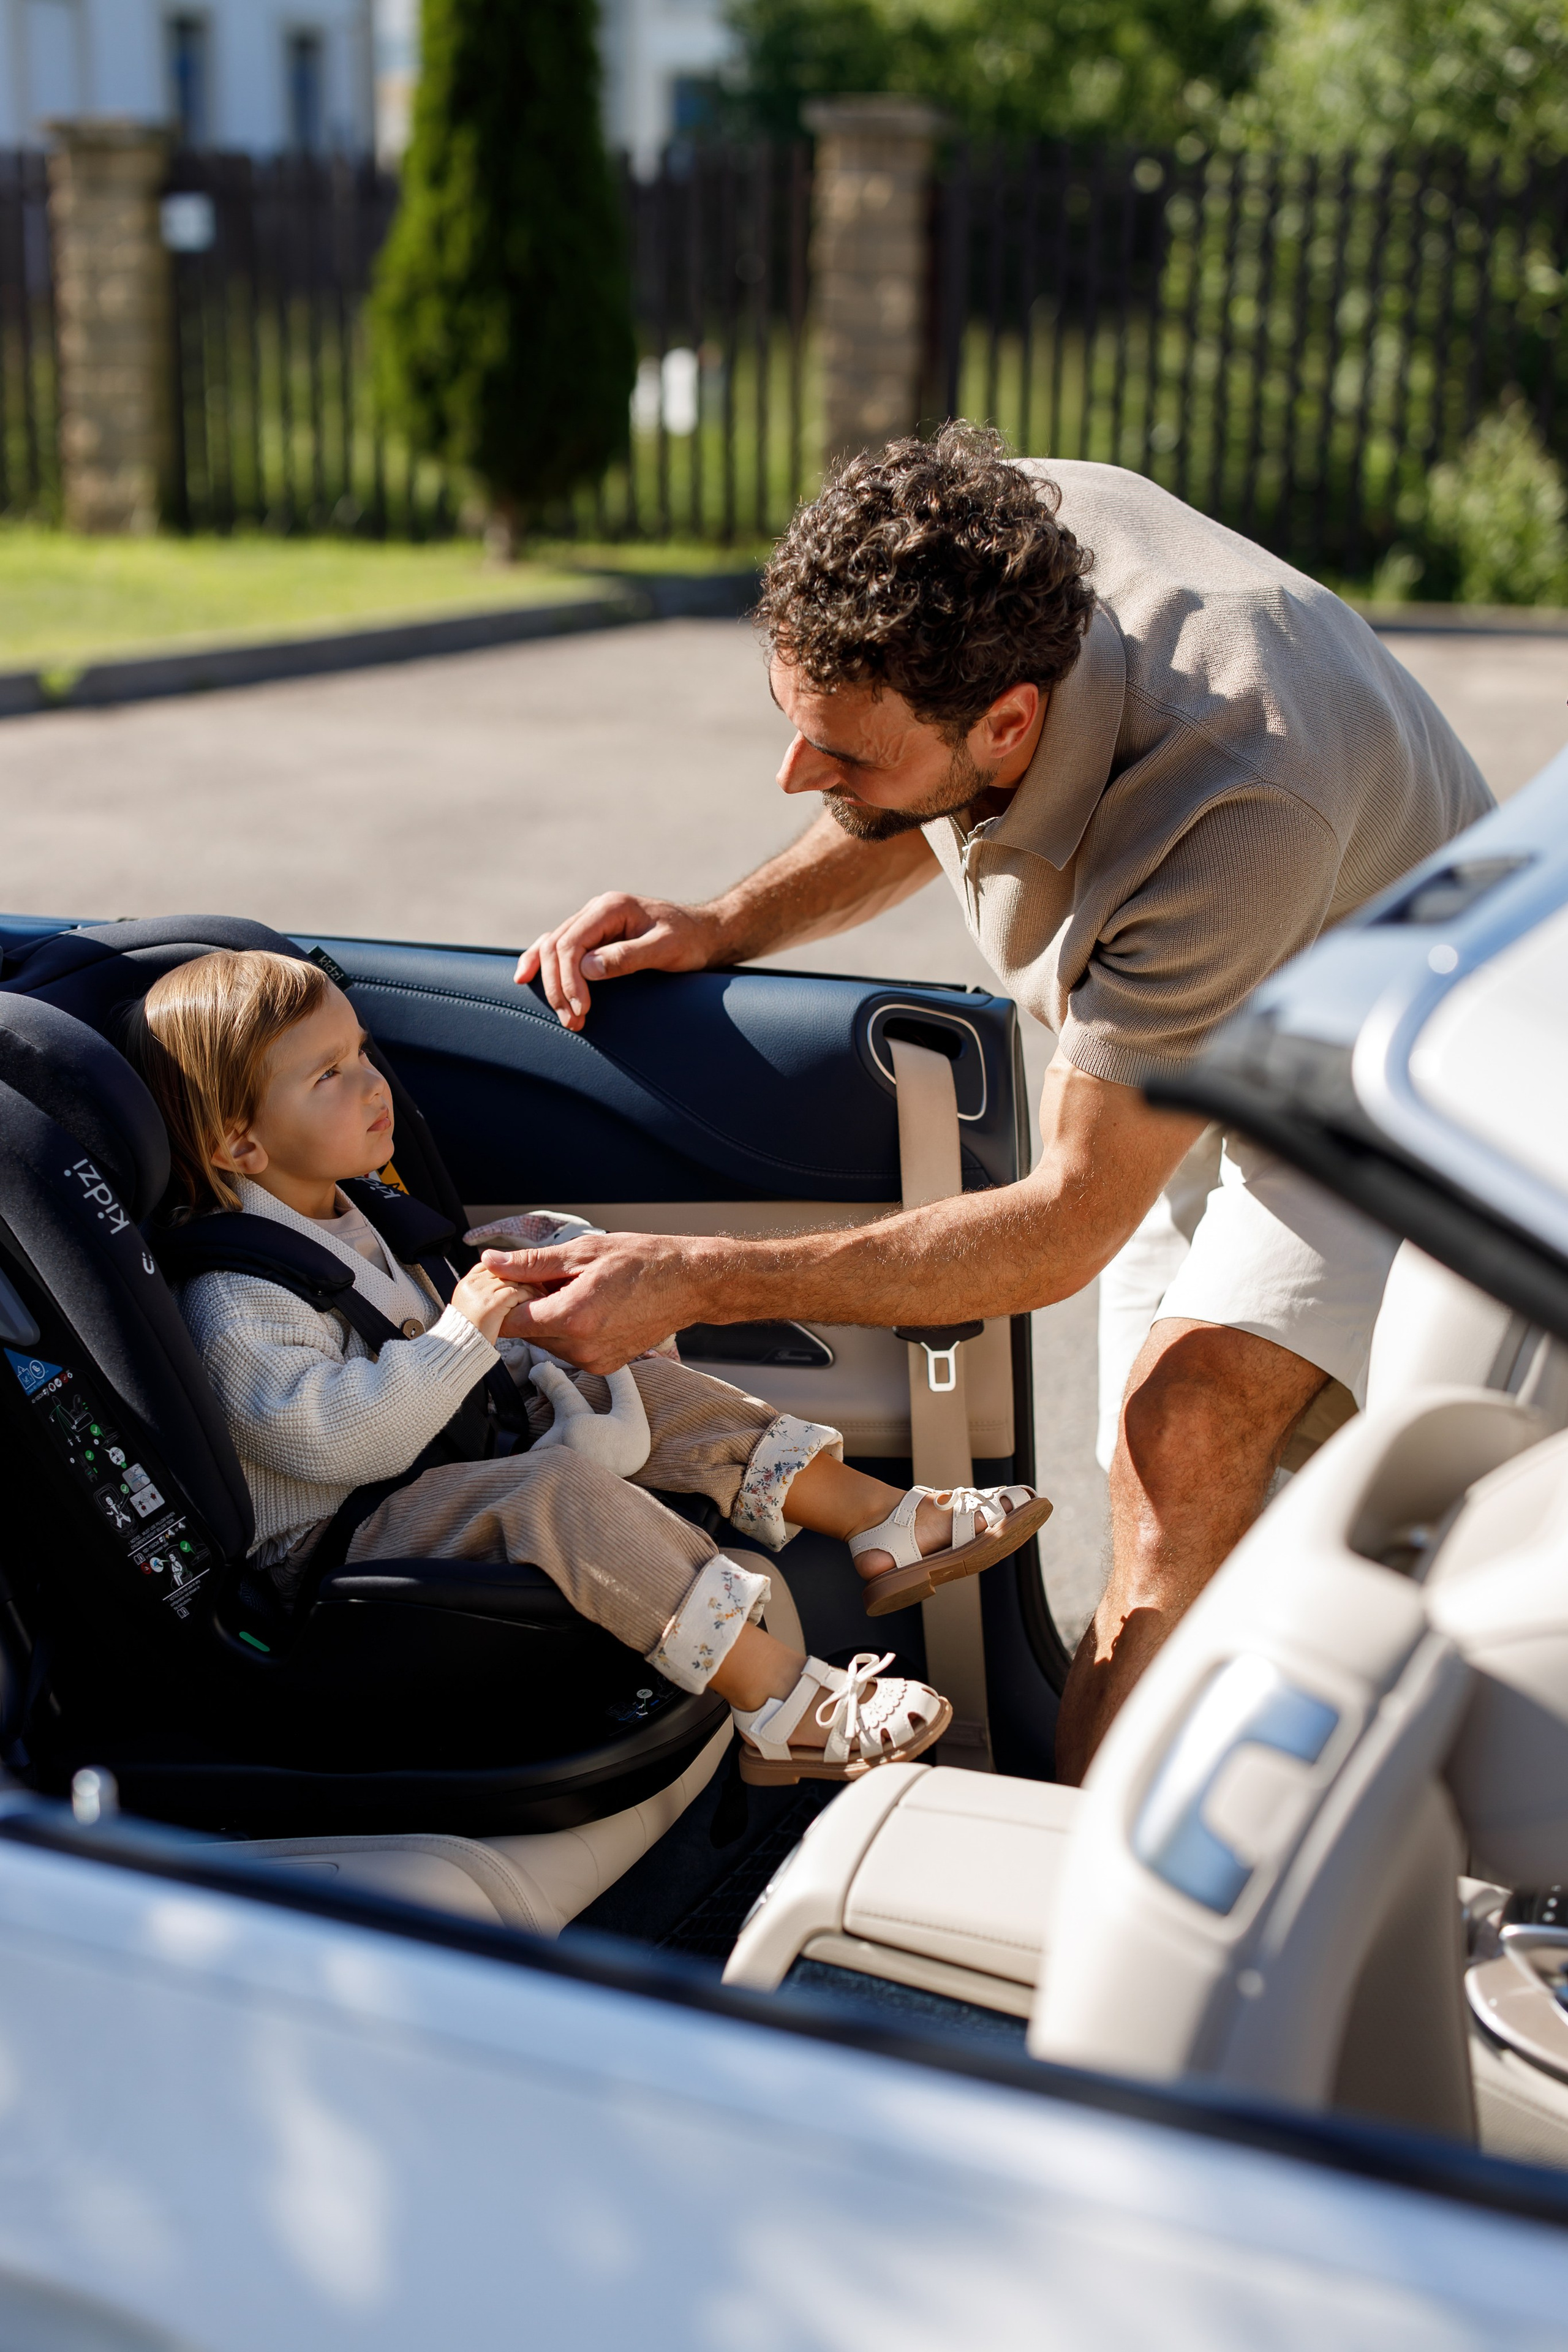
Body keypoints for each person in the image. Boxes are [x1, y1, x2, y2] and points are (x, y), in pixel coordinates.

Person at [491, 423, 1494, 1782]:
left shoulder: (1233, 800)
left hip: (1397, 1082)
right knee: (1166, 1499)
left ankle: (1096, 1915)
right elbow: (915, 796)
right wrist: (719, 924)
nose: (795, 777)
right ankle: (1236, 1776)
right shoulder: (989, 553)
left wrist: (691, 1280)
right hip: (1213, 1027)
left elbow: (1061, 1225)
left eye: (836, 754)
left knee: (1184, 1432)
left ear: (1015, 718)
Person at [128, 948, 1047, 1785]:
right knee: (553, 1491)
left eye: (364, 1053)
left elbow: (398, 1316)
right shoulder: (234, 1301)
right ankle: (780, 1702)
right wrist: (464, 1334)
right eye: (329, 1076)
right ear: (239, 1144)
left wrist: (517, 1267)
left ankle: (881, 1519)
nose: (372, 1085)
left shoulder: (349, 1208)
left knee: (634, 1380)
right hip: (335, 1548)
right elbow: (330, 1435)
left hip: (425, 1465)